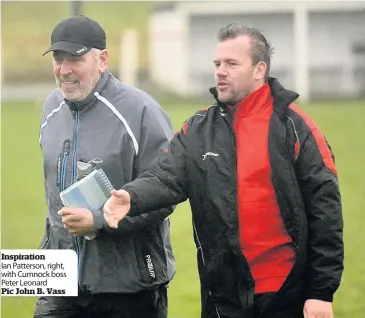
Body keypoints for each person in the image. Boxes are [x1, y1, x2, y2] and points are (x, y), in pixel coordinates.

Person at [103, 23, 344, 318]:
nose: (220, 71)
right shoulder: (197, 129)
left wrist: (321, 292)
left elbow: (326, 210)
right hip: (222, 297)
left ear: (259, 70)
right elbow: (166, 176)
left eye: (231, 63)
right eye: (217, 63)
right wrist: (131, 196)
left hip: (285, 293)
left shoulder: (295, 128)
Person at [36, 15, 175, 318]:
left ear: (102, 60)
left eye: (75, 58)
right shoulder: (51, 108)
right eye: (58, 59)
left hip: (127, 286)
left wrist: (99, 219)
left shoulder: (141, 111)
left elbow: (166, 192)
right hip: (57, 280)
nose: (64, 70)